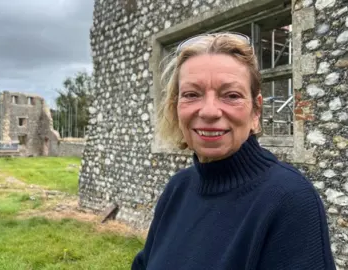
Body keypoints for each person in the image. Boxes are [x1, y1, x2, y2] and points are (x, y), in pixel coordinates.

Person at [131, 32, 336, 270]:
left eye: (231, 95)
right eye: (191, 94)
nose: (209, 111)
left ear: (256, 111)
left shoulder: (290, 200)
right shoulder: (177, 189)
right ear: (177, 107)